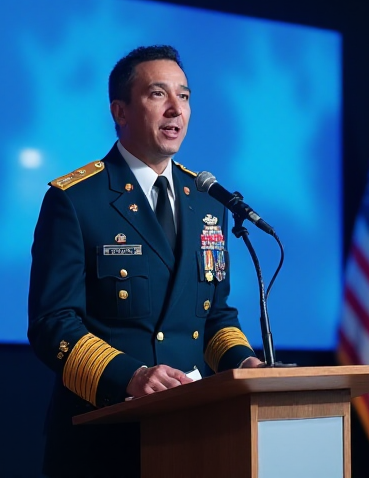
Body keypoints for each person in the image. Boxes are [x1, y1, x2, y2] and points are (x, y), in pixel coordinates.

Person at [27, 44, 263, 478]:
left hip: (195, 433)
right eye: (158, 94)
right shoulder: (75, 200)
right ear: (120, 111)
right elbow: (53, 323)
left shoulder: (207, 202)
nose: (176, 109)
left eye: (185, 96)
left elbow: (216, 316)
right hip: (104, 439)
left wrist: (245, 365)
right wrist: (130, 377)